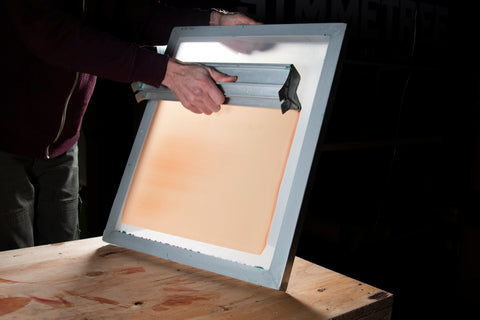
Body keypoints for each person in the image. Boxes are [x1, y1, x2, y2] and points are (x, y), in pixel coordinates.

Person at [0, 0, 258, 251]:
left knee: (60, 258)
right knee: (12, 268)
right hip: (6, 142)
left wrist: (214, 21)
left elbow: (128, 13)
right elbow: (56, 36)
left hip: (61, 144)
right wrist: (168, 72)